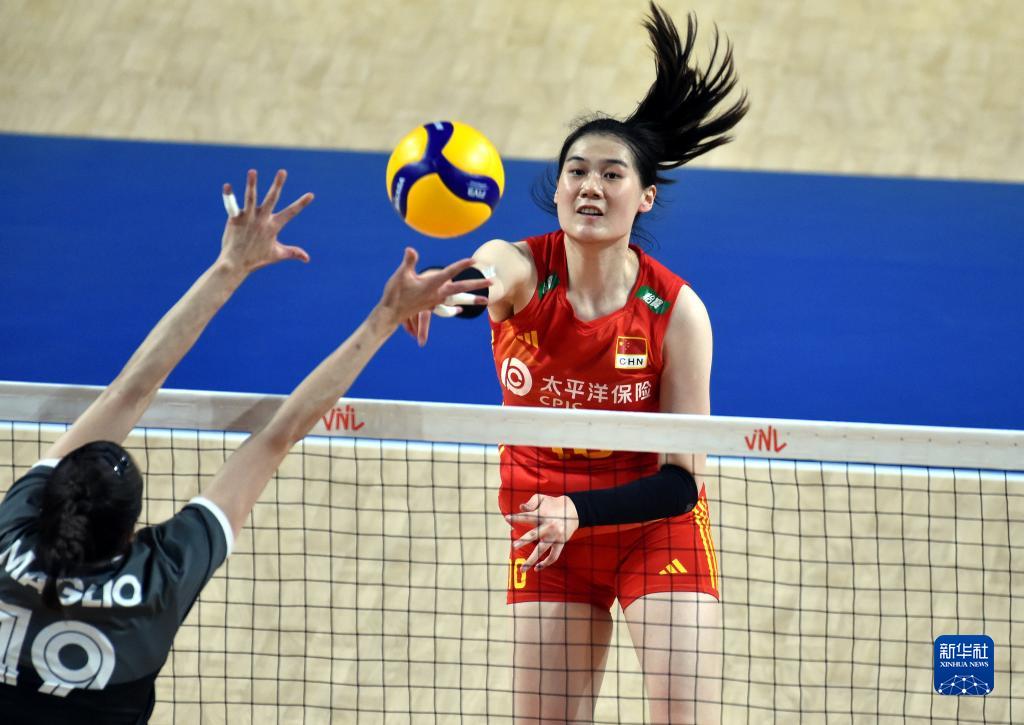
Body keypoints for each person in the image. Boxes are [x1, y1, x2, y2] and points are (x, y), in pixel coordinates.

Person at [0, 168, 488, 724]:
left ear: (46, 500)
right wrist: (383, 317)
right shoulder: (160, 579)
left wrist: (229, 266)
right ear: (133, 530)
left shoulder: (11, 536)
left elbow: (127, 393)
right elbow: (275, 433)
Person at [404, 4, 747, 722]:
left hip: (653, 528)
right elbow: (481, 277)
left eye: (612, 174)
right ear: (558, 190)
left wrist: (580, 511)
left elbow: (681, 483)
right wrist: (443, 290)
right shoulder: (523, 268)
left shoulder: (678, 312)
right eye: (577, 171)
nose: (591, 185)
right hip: (544, 531)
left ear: (644, 196)